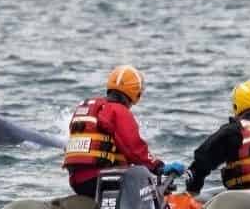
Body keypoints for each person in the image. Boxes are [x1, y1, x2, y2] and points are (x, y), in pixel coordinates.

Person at [63, 64, 184, 198]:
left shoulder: (87, 107)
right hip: (100, 181)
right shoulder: (118, 111)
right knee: (143, 179)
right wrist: (158, 167)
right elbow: (134, 150)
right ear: (135, 94)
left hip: (77, 182)